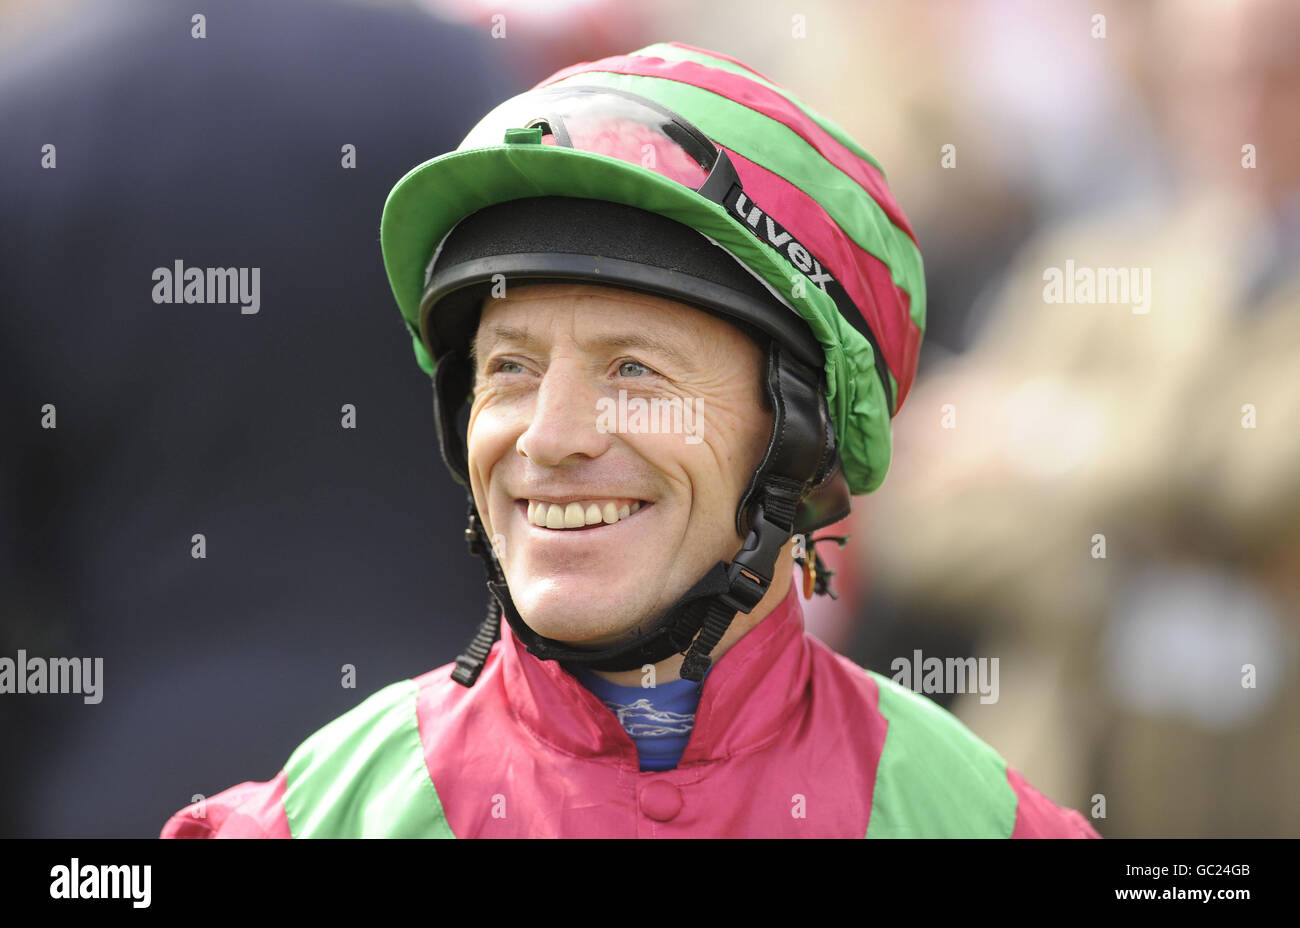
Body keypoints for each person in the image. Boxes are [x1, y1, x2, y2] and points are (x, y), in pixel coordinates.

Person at [160, 42, 1099, 838]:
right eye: (510, 370)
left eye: (634, 372)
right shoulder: (303, 822)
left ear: (798, 435)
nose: (551, 438)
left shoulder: (985, 822)